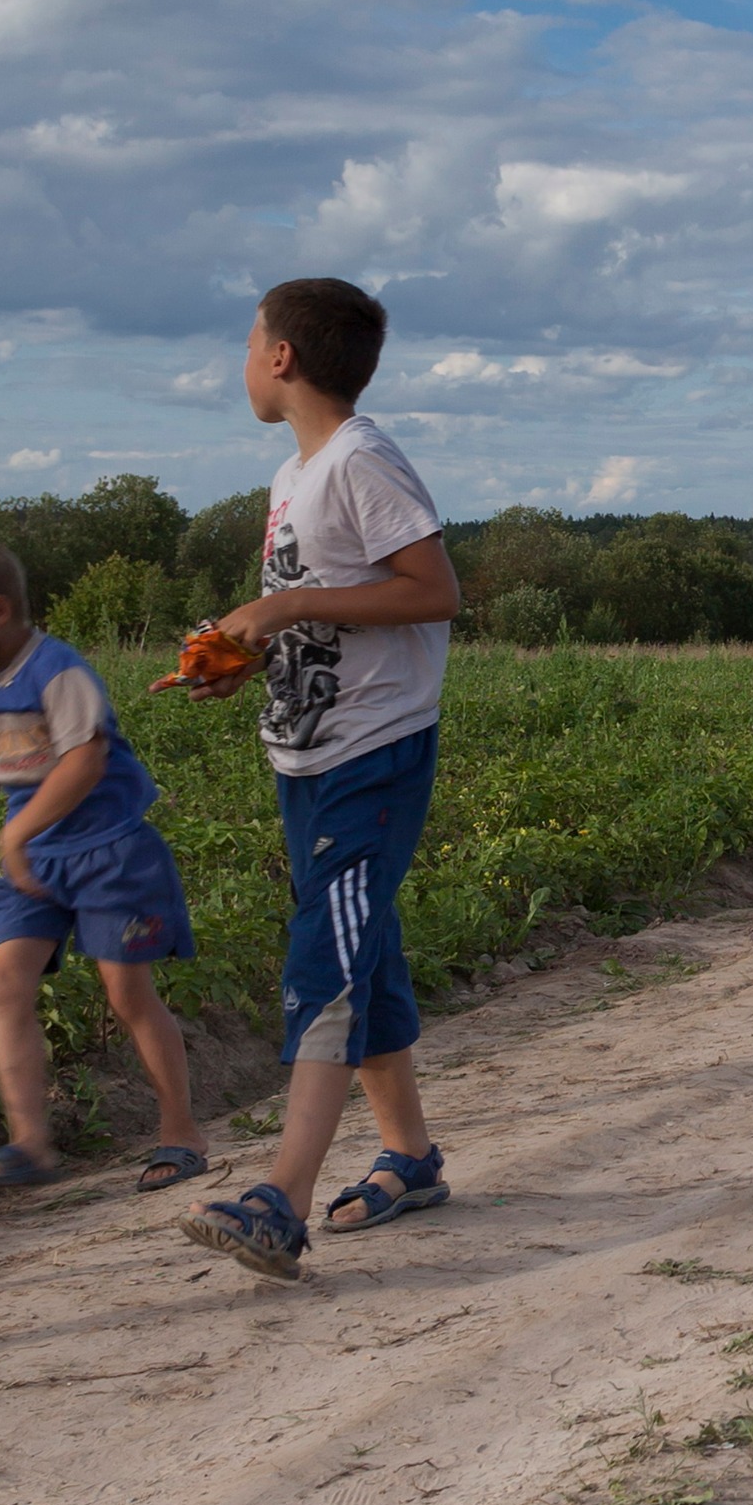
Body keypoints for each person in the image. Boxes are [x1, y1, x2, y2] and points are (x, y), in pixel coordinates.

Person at [172, 276, 464, 1281]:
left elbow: (434, 589)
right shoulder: (296, 475)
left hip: (371, 755)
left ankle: (279, 1199)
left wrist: (287, 602)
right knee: (363, 951)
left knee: (324, 961)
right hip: (309, 752)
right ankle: (412, 1157)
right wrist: (244, 647)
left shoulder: (359, 459)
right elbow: (329, 612)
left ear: (282, 356)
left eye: (249, 340)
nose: (243, 359)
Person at [0, 531, 212, 1197]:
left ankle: (181, 1130)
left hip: (109, 850)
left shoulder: (59, 668)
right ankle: (30, 1143)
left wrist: (16, 838)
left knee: (127, 994)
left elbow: (85, 759)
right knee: (3, 981)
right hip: (36, 858)